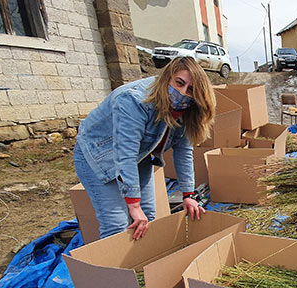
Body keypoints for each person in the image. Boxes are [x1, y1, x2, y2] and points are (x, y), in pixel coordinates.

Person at [73, 57, 215, 240]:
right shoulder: (133, 100)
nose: (182, 92)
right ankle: (114, 267)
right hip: (97, 153)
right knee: (116, 223)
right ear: (168, 76)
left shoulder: (187, 109)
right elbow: (126, 153)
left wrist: (188, 195)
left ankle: (144, 264)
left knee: (147, 215)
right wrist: (133, 205)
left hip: (142, 154)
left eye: (191, 90)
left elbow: (184, 151)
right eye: (179, 83)